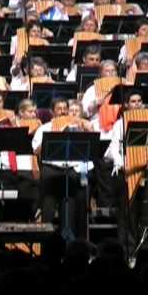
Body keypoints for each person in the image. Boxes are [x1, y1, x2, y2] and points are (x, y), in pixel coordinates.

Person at [105, 89, 148, 259]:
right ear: (126, 105)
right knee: (127, 214)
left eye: (139, 101)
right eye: (133, 101)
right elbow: (112, 150)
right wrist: (123, 165)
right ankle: (126, 251)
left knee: (147, 214)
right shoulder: (120, 124)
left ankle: (147, 252)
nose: (137, 104)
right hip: (126, 172)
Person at [32, 97, 91, 240]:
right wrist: (55, 135)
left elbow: (87, 149)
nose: (63, 112)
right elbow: (36, 151)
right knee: (48, 211)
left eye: (65, 108)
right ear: (52, 112)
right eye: (59, 109)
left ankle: (68, 247)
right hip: (51, 171)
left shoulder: (77, 128)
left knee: (68, 213)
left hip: (70, 172)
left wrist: (84, 130)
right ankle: (47, 248)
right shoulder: (44, 128)